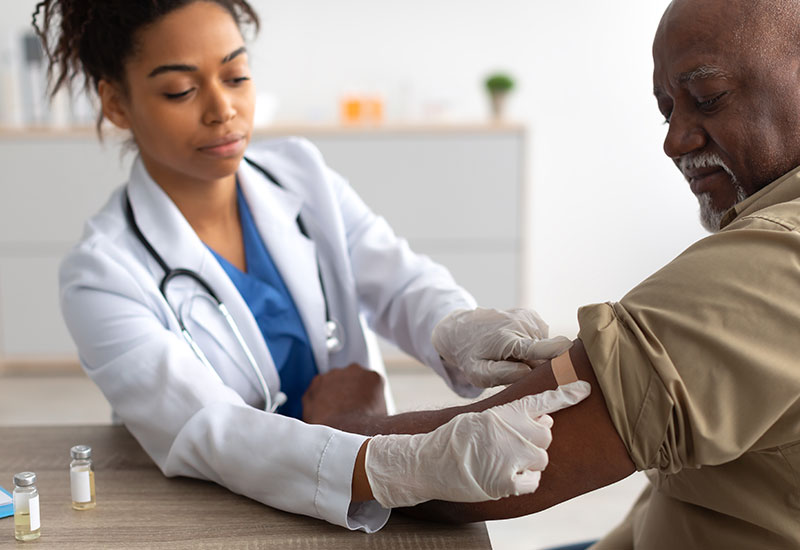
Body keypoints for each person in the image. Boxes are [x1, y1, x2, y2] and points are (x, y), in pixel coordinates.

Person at [38, 0, 592, 533]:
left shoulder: (299, 173)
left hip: (363, 470)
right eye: (180, 89)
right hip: (227, 513)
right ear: (115, 102)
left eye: (235, 77)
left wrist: (457, 328)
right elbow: (207, 430)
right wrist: (400, 466)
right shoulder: (101, 277)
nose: (222, 109)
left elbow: (396, 280)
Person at [303, 0, 800, 548]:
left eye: (708, 99)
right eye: (667, 111)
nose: (673, 140)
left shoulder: (773, 260)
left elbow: (468, 478)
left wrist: (340, 421)